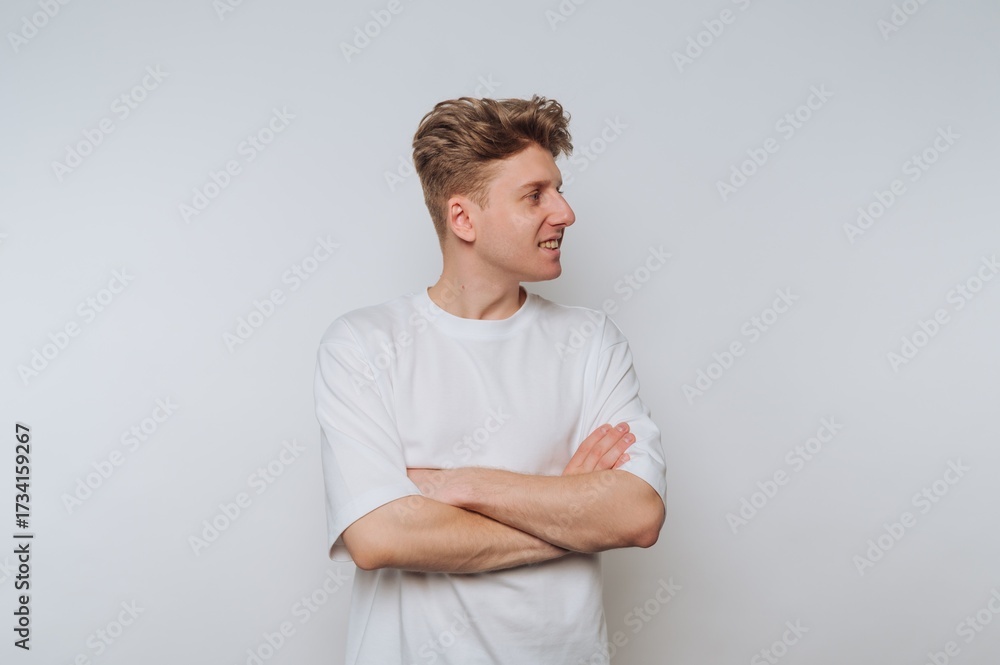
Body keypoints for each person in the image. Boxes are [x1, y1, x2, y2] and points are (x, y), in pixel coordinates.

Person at [314, 94, 667, 664]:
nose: (565, 212)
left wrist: (462, 485)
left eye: (558, 188)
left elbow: (636, 514)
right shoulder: (363, 344)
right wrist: (570, 514)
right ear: (463, 218)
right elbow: (380, 539)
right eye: (535, 195)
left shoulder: (591, 341)